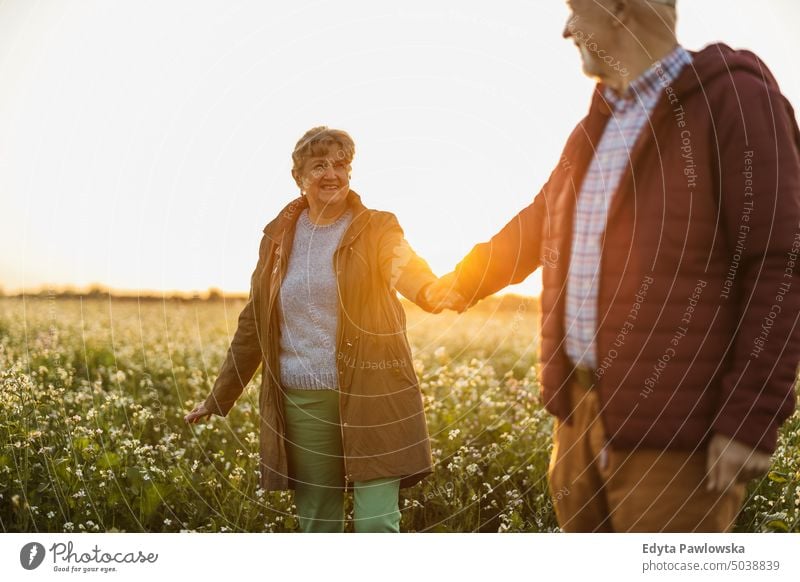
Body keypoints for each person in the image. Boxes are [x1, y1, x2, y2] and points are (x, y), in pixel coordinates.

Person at [430, 0, 800, 532]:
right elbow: (541, 223)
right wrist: (459, 283)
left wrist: (750, 417)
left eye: (575, 11)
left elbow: (780, 263)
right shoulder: (596, 125)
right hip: (580, 418)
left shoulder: (736, 102)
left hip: (676, 436)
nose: (566, 29)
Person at [184, 126, 463, 532]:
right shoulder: (277, 239)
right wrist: (219, 396)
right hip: (304, 400)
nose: (332, 173)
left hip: (374, 394)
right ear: (299, 178)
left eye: (341, 164)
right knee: (317, 523)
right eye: (319, 165)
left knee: (377, 523)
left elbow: (402, 263)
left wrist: (430, 290)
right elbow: (255, 321)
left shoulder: (378, 227)